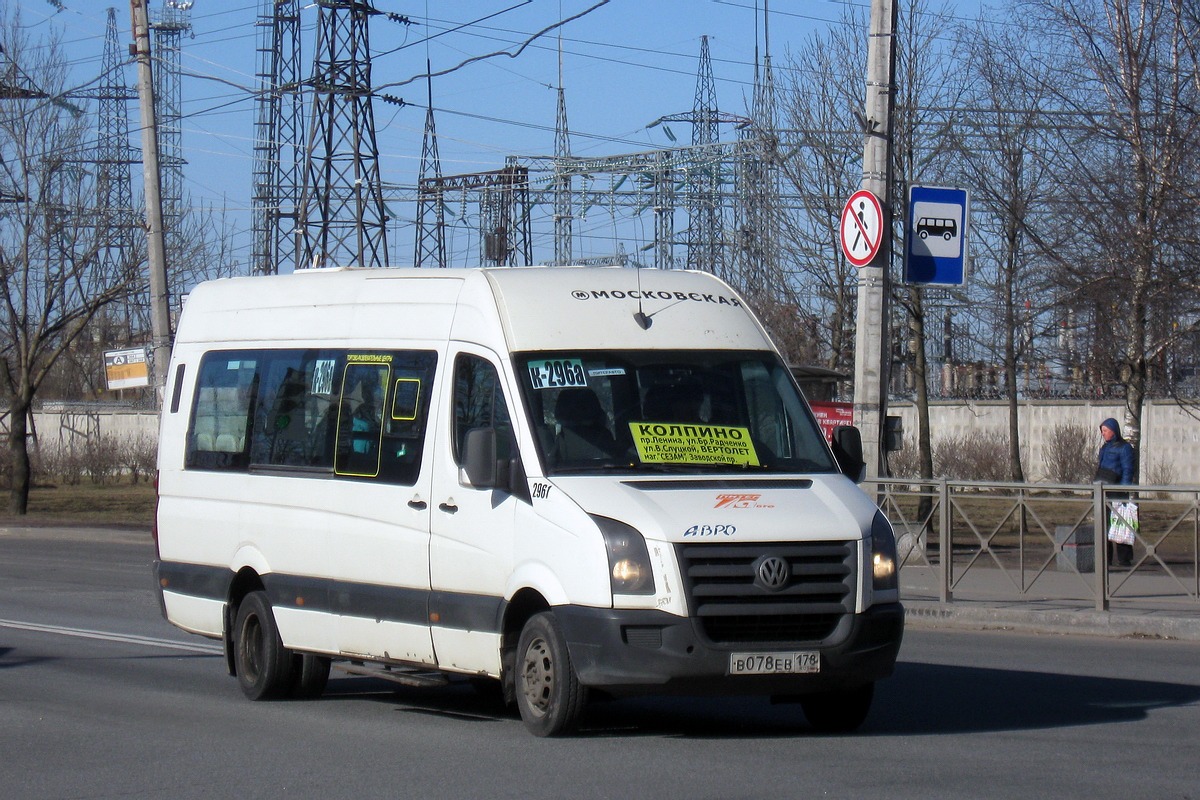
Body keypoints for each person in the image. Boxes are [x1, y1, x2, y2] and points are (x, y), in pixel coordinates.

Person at [1096, 417, 1135, 567]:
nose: (1103, 434)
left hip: (1117, 490)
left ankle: (1124, 558)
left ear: (1114, 430)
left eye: (1105, 430)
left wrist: (1124, 488)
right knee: (1103, 525)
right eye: (1102, 431)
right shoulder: (1105, 448)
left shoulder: (1124, 447)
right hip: (1103, 489)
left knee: (1120, 524)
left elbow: (1127, 469)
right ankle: (1105, 558)